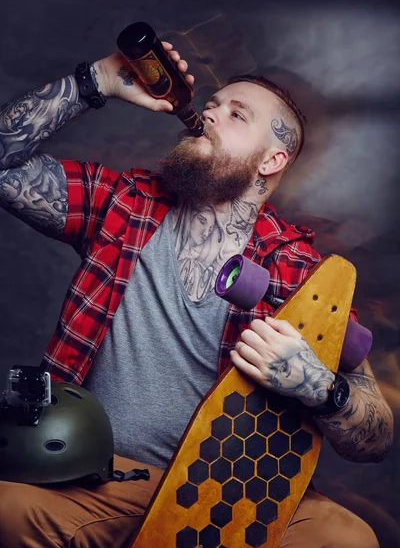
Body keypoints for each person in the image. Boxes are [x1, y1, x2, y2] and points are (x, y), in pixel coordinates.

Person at [0, 41, 393, 548]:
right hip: (106, 482)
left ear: (271, 160)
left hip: (239, 494)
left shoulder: (302, 272)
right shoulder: (123, 205)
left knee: (347, 539)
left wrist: (321, 389)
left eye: (237, 113)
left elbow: (376, 436)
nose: (210, 110)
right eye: (213, 103)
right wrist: (93, 81)